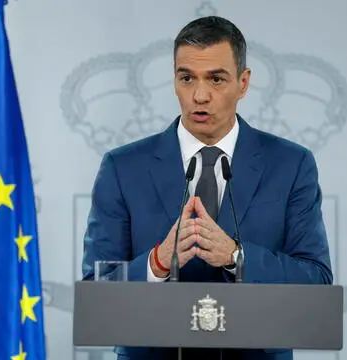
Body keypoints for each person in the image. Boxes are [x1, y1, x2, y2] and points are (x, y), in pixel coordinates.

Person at [81, 15, 333, 360]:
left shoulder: (291, 165)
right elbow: (97, 294)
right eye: (187, 78)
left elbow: (316, 285)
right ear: (174, 81)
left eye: (216, 79)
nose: (200, 95)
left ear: (243, 83)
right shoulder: (123, 167)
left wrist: (236, 257)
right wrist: (156, 262)